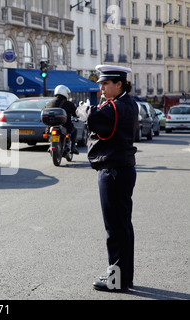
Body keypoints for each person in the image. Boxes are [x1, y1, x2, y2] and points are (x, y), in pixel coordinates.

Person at [76, 65, 138, 292]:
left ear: (119, 83)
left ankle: (117, 280)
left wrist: (83, 111)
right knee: (123, 227)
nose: (101, 87)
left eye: (105, 83)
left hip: (112, 171)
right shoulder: (128, 103)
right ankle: (124, 276)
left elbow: (96, 118)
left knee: (115, 229)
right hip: (122, 170)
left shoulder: (114, 106)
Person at [44, 85, 79, 154]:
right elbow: (75, 113)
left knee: (49, 133)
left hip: (51, 125)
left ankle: (51, 145)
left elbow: (44, 110)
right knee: (74, 130)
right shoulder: (68, 103)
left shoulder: (49, 103)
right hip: (65, 125)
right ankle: (73, 147)